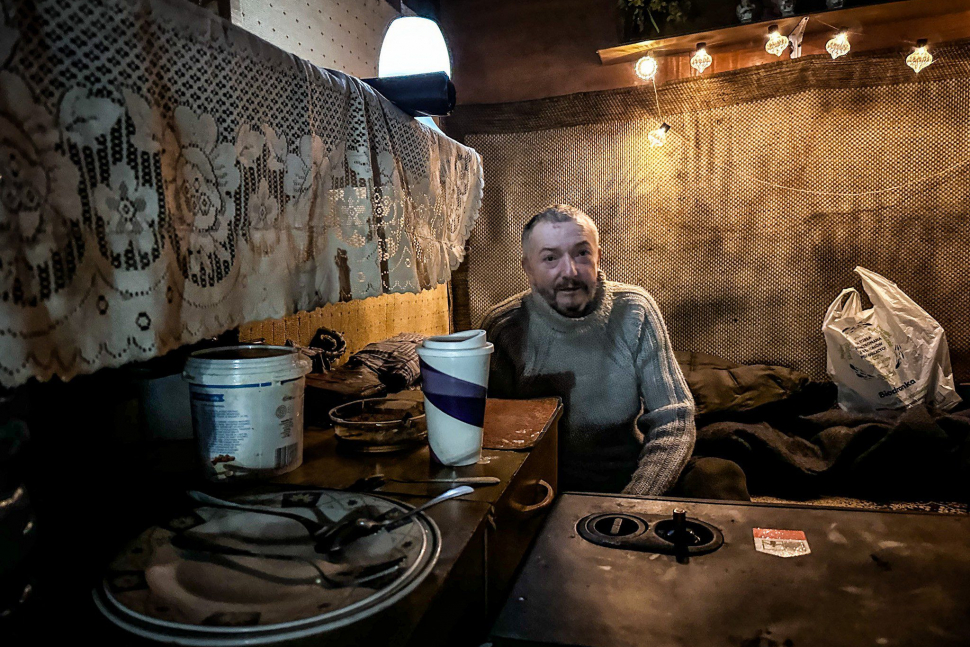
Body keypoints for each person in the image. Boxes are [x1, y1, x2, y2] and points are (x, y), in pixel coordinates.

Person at [482, 204, 748, 499]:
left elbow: (673, 417)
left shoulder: (634, 310)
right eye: (550, 258)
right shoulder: (504, 328)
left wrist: (631, 504)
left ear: (598, 257)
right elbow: (490, 435)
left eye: (582, 253)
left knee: (718, 475)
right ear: (528, 268)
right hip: (543, 485)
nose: (569, 271)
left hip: (629, 475)